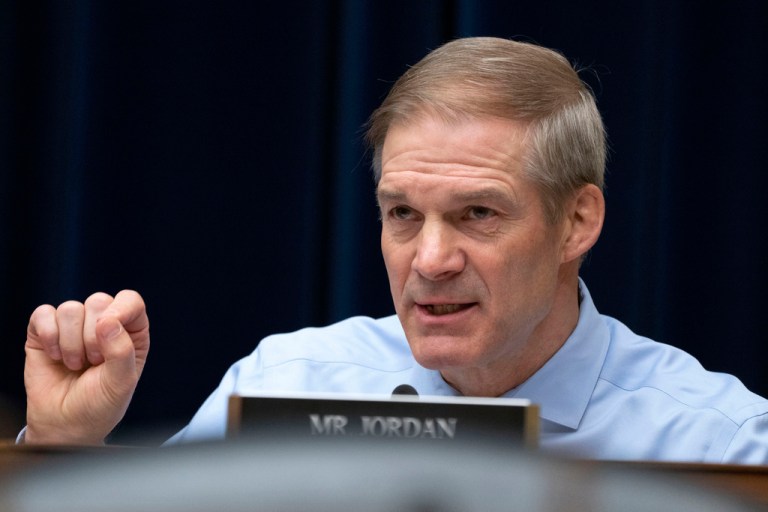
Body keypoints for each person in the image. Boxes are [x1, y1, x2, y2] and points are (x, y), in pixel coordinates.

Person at [21, 37, 768, 462]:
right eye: (403, 214)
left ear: (577, 222)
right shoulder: (284, 387)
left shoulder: (720, 445)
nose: (431, 259)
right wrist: (60, 444)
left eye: (478, 213)